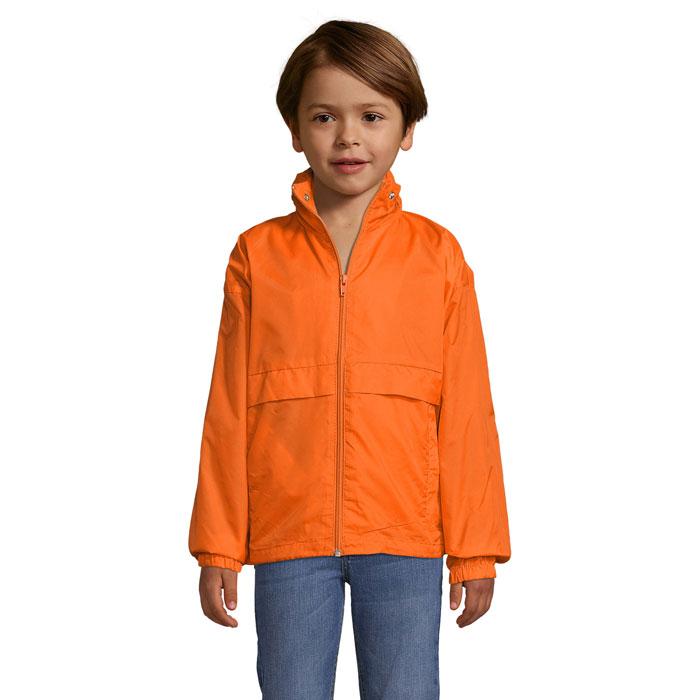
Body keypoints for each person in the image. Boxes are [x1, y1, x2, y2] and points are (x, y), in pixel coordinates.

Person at [188, 19, 511, 699]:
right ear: (294, 128)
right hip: (289, 535)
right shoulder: (257, 255)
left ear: (408, 128)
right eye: (324, 116)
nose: (347, 137)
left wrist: (475, 546)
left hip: (405, 536)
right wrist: (218, 543)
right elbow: (227, 409)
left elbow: (467, 410)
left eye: (372, 115)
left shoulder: (437, 256)